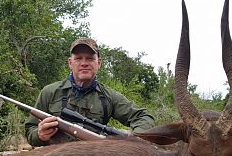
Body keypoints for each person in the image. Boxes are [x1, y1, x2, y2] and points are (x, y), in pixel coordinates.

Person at [25, 37, 155, 146]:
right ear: (70, 63)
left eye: (90, 58)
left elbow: (143, 117)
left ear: (99, 63)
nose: (84, 63)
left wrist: (136, 139)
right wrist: (39, 135)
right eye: (78, 58)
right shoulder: (50, 92)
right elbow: (30, 131)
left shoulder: (108, 96)